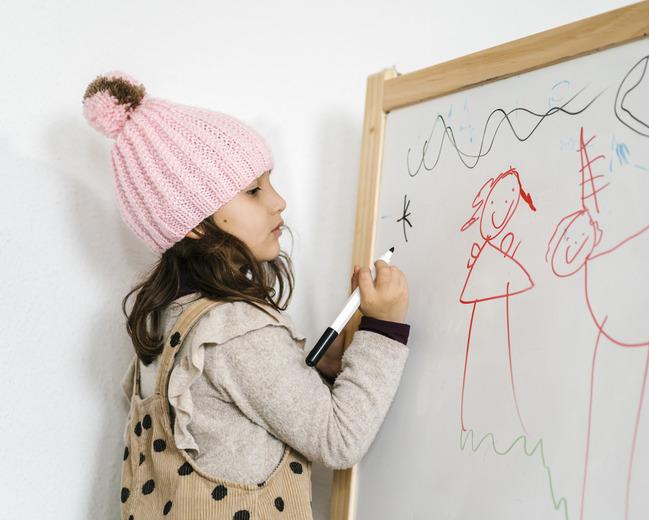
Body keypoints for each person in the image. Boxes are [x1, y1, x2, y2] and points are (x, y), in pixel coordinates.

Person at [82, 70, 411, 519]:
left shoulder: (165, 321)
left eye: (269, 181)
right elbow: (339, 439)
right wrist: (383, 327)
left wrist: (309, 371)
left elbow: (235, 419)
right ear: (195, 224)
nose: (278, 201)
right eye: (254, 191)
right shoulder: (235, 331)